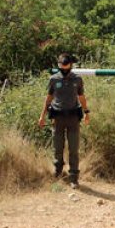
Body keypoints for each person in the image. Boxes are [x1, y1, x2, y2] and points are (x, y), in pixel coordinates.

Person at [37, 53, 90, 187]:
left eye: (66, 67)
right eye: (62, 66)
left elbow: (81, 96)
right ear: (59, 65)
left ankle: (73, 177)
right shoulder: (54, 79)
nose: (64, 69)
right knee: (57, 147)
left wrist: (86, 112)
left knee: (73, 148)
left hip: (73, 118)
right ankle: (58, 172)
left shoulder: (77, 79)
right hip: (58, 117)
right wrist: (42, 116)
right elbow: (48, 98)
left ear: (71, 65)